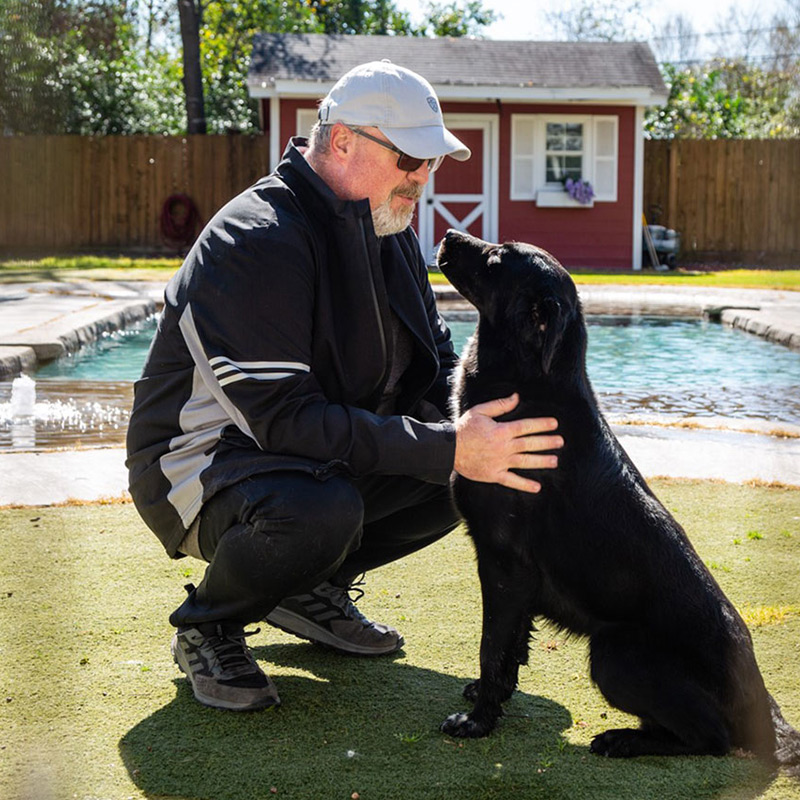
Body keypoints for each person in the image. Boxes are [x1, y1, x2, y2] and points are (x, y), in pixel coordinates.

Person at [126, 60, 563, 712]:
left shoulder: (387, 228)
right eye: (410, 158)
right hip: (197, 465)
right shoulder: (257, 239)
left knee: (473, 470)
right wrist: (449, 445)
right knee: (326, 508)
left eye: (432, 161)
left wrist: (510, 425)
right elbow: (285, 419)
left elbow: (439, 369)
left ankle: (308, 589)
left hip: (306, 455)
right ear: (341, 141)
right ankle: (210, 624)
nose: (423, 176)